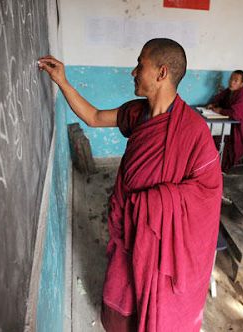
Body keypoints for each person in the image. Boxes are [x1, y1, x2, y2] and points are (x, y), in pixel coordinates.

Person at [38, 38, 222, 332]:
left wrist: (156, 202)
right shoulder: (137, 113)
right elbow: (95, 117)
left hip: (158, 239)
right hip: (129, 229)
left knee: (153, 305)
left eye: (140, 65)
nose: (133, 72)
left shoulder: (194, 132)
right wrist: (62, 81)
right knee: (119, 299)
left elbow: (207, 194)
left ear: (162, 73)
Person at [206, 70, 243, 172]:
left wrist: (220, 110)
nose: (232, 82)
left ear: (242, 84)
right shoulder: (229, 91)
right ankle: (213, 163)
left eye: (236, 81)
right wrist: (214, 104)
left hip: (240, 128)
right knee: (213, 137)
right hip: (230, 124)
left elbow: (236, 114)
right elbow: (219, 98)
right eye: (231, 79)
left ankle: (220, 167)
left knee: (221, 140)